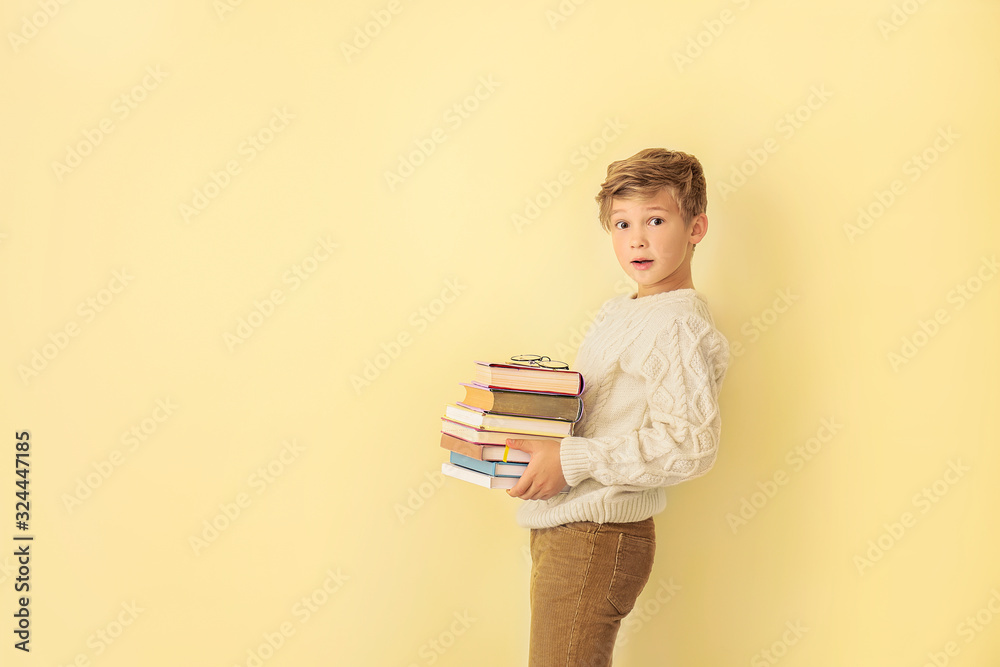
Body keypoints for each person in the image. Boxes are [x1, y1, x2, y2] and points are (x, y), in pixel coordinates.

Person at [504, 148, 730, 667]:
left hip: (598, 534)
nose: (637, 239)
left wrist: (570, 460)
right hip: (566, 525)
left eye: (656, 219)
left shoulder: (675, 323)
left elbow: (691, 443)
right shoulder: (622, 312)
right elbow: (601, 417)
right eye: (621, 223)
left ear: (696, 228)